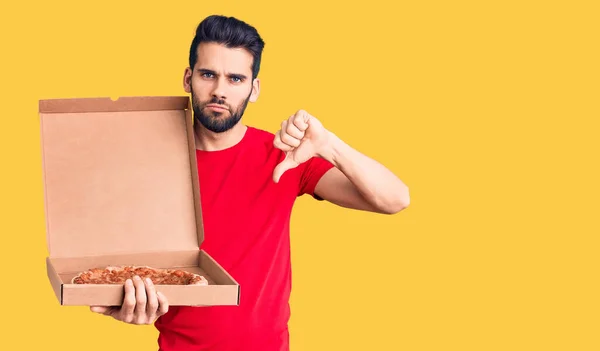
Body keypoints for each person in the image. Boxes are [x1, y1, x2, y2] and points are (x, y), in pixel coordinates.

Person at [90, 14, 410, 351]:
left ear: (253, 88)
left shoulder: (284, 157)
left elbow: (395, 199)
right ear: (188, 78)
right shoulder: (150, 164)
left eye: (235, 79)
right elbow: (130, 262)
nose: (219, 91)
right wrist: (129, 301)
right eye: (208, 74)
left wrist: (329, 145)